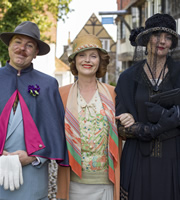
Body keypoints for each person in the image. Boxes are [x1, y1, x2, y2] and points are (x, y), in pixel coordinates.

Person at [56, 34, 134, 200]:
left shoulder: (114, 94)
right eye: (82, 55)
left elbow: (124, 130)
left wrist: (129, 119)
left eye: (93, 56)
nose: (87, 60)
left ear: (100, 61)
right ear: (74, 61)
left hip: (105, 182)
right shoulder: (61, 94)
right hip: (73, 182)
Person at [0, 21, 68, 200]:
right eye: (17, 42)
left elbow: (55, 131)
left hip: (33, 176)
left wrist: (32, 158)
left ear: (36, 53)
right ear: (9, 45)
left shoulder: (48, 85)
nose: (22, 48)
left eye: (29, 45)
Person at [115, 13, 180, 200]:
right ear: (146, 38)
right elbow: (121, 127)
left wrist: (176, 115)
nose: (162, 41)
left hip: (173, 155)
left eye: (168, 37)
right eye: (157, 35)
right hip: (138, 157)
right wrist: (153, 127)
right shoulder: (128, 77)